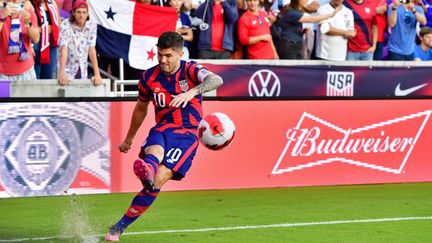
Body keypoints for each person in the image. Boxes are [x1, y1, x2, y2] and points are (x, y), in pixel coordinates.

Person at [104, 31, 223, 241]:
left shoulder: (191, 69)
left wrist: (192, 92)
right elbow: (141, 108)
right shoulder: (149, 77)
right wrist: (129, 139)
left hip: (187, 134)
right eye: (160, 54)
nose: (162, 59)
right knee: (154, 152)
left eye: (168, 55)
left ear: (179, 53)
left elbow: (217, 80)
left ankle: (119, 226)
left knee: (159, 178)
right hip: (163, 127)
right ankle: (147, 171)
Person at [58, 0, 102, 86]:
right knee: (66, 97)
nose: (81, 15)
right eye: (78, 12)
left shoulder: (92, 25)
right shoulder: (65, 25)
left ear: (87, 14)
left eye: (84, 12)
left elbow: (92, 50)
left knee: (81, 97)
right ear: (73, 13)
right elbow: (64, 50)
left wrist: (97, 74)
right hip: (67, 69)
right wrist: (62, 73)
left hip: (82, 69)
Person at [0, 0, 40, 82]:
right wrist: (2, 17)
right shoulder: (2, 12)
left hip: (27, 71)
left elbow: (36, 39)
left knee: (29, 95)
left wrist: (28, 23)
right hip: (3, 74)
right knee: (4, 95)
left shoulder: (28, 11)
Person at [30, 0, 61, 79]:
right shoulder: (29, 3)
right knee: (35, 74)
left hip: (51, 43)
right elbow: (27, 25)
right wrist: (45, 29)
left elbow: (58, 24)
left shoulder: (52, 3)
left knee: (48, 75)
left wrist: (49, 29)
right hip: (36, 42)